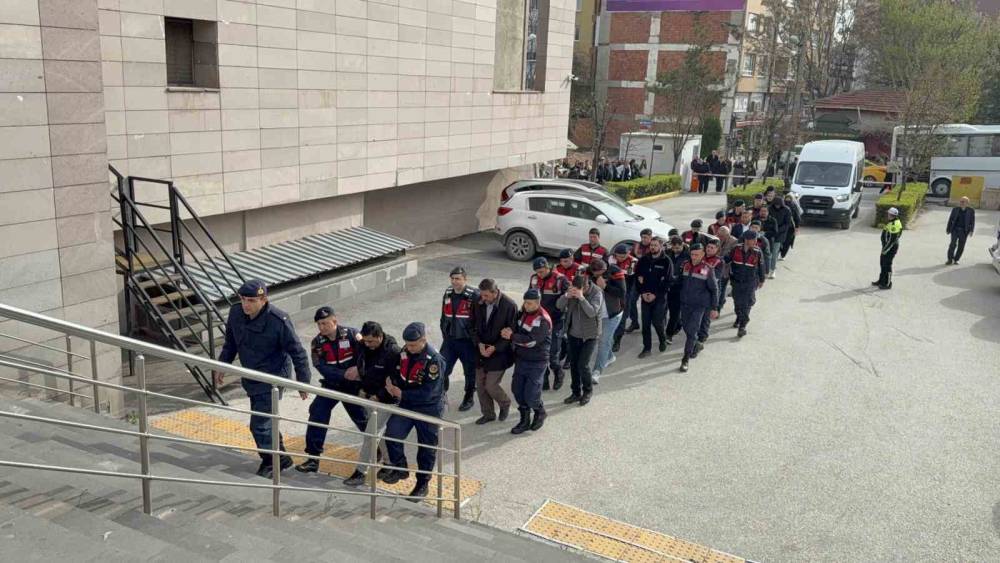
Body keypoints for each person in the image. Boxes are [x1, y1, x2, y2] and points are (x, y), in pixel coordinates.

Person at [214, 279, 310, 479]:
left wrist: (303, 382)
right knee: (266, 421)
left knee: (260, 424)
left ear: (263, 300)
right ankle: (281, 456)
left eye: (251, 300)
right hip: (251, 374)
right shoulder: (236, 313)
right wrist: (222, 365)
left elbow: (298, 352)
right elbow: (231, 342)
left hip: (272, 377)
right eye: (243, 299)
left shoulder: (278, 320)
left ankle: (272, 461)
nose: (246, 305)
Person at [297, 307, 369, 476]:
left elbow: (365, 356)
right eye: (319, 324)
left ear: (334, 321)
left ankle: (377, 451)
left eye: (325, 323)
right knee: (317, 412)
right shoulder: (317, 343)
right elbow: (321, 366)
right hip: (332, 385)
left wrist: (358, 371)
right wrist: (344, 374)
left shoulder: (351, 334)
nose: (322, 327)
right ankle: (313, 458)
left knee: (363, 420)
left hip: (353, 387)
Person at [381, 322, 446, 500]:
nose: (409, 348)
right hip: (407, 404)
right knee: (392, 434)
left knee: (426, 448)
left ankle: (422, 484)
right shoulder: (404, 352)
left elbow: (429, 392)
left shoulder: (434, 361)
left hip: (428, 408)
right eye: (407, 344)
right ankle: (400, 469)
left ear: (423, 340)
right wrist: (391, 382)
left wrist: (402, 393)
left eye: (413, 345)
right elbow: (397, 371)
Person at [348, 321, 399, 487]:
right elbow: (363, 366)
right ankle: (389, 464)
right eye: (365, 341)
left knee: (371, 434)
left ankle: (360, 472)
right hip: (369, 397)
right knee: (379, 434)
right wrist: (362, 389)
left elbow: (395, 380)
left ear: (380, 336)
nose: (368, 344)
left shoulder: (392, 352)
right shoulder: (364, 345)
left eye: (371, 341)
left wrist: (379, 396)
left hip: (386, 401)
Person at [503, 288, 552, 434]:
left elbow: (531, 342)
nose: (526, 306)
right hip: (522, 359)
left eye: (530, 304)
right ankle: (524, 420)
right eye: (525, 303)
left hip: (537, 361)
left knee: (531, 394)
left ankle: (539, 411)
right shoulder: (523, 313)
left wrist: (511, 337)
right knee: (517, 390)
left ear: (538, 303)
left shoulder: (542, 319)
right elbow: (515, 326)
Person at [470, 279, 516, 425]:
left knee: (491, 385)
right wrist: (479, 343)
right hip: (481, 350)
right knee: (480, 385)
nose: (482, 299)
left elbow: (512, 333)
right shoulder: (478, 301)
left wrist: (495, 348)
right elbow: (471, 326)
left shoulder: (510, 306)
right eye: (481, 295)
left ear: (495, 293)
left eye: (486, 296)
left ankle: (505, 403)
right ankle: (488, 414)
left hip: (500, 353)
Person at [557, 273, 603, 406]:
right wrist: (566, 296)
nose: (576, 291)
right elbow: (559, 305)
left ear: (586, 286)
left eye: (579, 289)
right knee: (574, 365)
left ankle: (587, 391)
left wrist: (582, 298)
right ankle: (575, 392)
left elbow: (592, 312)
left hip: (590, 335)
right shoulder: (572, 290)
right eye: (574, 288)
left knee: (583, 364)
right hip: (573, 334)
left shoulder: (597, 293)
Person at [439, 267, 478, 411]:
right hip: (450, 341)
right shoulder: (448, 293)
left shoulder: (474, 295)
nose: (455, 282)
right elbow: (443, 315)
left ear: (465, 280)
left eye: (458, 279)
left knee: (470, 371)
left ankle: (469, 397)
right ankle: (441, 396)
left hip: (467, 342)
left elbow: (479, 319)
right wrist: (444, 332)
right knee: (442, 369)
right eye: (453, 278)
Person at [677, 243, 719, 372]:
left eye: (697, 255)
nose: (694, 257)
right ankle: (696, 344)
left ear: (702, 255)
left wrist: (714, 308)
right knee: (686, 327)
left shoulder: (707, 269)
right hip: (685, 304)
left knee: (691, 331)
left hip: (699, 306)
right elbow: (679, 282)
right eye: (692, 254)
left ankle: (685, 359)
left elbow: (714, 289)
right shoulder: (685, 265)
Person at [528, 257, 568, 390]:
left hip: (556, 321)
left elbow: (567, 299)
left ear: (548, 267)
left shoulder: (560, 279)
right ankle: (544, 379)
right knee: (540, 352)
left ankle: (558, 373)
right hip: (540, 321)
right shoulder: (534, 279)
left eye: (542, 271)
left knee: (553, 355)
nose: (540, 274)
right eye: (537, 272)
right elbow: (530, 297)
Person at [589, 258, 626, 383]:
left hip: (613, 314)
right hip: (598, 313)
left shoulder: (616, 272)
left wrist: (605, 286)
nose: (598, 276)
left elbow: (622, 293)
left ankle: (596, 371)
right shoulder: (588, 273)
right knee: (603, 339)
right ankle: (609, 356)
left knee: (603, 341)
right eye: (596, 274)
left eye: (601, 273)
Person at [635, 236, 672, 357]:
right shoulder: (643, 260)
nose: (652, 247)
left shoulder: (666, 261)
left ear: (661, 247)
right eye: (651, 245)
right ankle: (647, 348)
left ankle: (662, 339)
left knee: (657, 322)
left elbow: (667, 281)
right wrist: (643, 293)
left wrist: (655, 294)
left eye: (655, 245)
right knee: (645, 324)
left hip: (659, 298)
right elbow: (638, 277)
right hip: (645, 296)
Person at [726, 231, 766, 337]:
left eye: (755, 239)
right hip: (736, 281)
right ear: (747, 240)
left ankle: (742, 326)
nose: (756, 241)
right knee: (737, 303)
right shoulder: (736, 249)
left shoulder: (758, 252)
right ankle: (739, 317)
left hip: (750, 282)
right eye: (754, 240)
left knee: (747, 303)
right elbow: (726, 259)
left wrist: (762, 280)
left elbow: (761, 267)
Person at [608, 243, 637, 350]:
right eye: (618, 256)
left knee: (622, 318)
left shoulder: (633, 262)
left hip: (626, 293)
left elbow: (630, 278)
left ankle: (617, 341)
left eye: (622, 257)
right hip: (611, 292)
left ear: (628, 254)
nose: (620, 259)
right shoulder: (611, 259)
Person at [699, 238, 724, 344]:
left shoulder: (718, 261)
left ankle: (702, 337)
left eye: (712, 248)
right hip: (697, 291)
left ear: (717, 249)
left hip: (710, 293)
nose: (709, 249)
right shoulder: (700, 257)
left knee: (705, 317)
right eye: (708, 247)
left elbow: (715, 278)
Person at [664, 235, 689, 340]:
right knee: (669, 309)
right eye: (673, 248)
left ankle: (669, 334)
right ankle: (678, 324)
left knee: (674, 312)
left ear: (682, 245)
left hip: (680, 287)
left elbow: (687, 273)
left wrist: (675, 278)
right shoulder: (667, 253)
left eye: (677, 248)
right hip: (667, 286)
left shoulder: (687, 256)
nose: (675, 250)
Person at [873, 207, 902, 290]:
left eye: (888, 213)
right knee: (883, 264)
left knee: (887, 265)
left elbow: (892, 240)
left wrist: (885, 250)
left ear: (891, 215)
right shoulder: (891, 222)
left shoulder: (894, 225)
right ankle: (881, 280)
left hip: (890, 248)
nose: (887, 215)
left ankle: (888, 283)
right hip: (886, 247)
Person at [946, 196, 975, 265]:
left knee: (961, 246)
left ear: (967, 203)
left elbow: (972, 221)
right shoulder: (955, 209)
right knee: (952, 244)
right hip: (955, 230)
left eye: (963, 202)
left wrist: (971, 230)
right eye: (960, 201)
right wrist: (948, 229)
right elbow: (950, 219)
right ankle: (950, 259)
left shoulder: (971, 211)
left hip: (964, 231)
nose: (961, 203)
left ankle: (956, 259)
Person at [715, 226, 738, 313]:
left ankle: (719, 307)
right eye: (719, 235)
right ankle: (720, 302)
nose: (720, 238)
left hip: (726, 268)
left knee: (721, 287)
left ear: (728, 234)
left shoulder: (734, 241)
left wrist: (720, 258)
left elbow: (731, 256)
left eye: (722, 236)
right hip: (715, 267)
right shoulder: (716, 239)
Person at [757, 207, 780, 279]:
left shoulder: (773, 220)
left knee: (769, 257)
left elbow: (775, 232)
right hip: (757, 241)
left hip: (769, 242)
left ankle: (771, 271)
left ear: (768, 212)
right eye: (761, 211)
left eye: (765, 211)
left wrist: (765, 233)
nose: (763, 212)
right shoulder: (755, 219)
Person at [780, 193, 800, 259]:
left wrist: (797, 227)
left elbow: (797, 218)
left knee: (785, 241)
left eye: (789, 199)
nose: (787, 200)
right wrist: (797, 227)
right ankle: (782, 254)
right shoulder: (794, 206)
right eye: (786, 199)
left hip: (787, 227)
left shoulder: (783, 205)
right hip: (788, 226)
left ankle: (782, 254)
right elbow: (797, 217)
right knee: (786, 241)